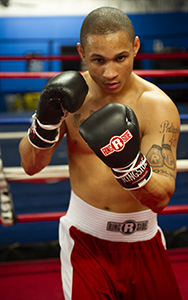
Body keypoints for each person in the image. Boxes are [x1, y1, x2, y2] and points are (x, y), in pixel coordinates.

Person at [19, 6, 182, 300]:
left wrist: (127, 163)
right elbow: (31, 165)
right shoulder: (69, 97)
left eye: (120, 58)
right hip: (85, 243)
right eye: (98, 60)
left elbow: (160, 199)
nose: (110, 73)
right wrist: (44, 124)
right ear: (82, 52)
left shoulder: (157, 106)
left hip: (145, 243)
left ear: (135, 47)